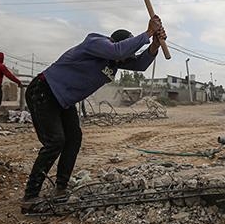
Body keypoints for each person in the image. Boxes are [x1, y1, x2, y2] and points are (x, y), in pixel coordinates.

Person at [22, 16, 166, 212]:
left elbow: (139, 65)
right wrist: (148, 33)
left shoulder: (115, 62)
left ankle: (61, 188)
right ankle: (30, 196)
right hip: (44, 91)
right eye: (126, 52)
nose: (126, 59)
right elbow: (119, 51)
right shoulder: (96, 42)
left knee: (73, 139)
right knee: (55, 142)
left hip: (63, 100)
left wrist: (155, 44)